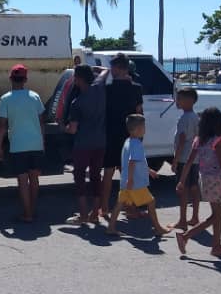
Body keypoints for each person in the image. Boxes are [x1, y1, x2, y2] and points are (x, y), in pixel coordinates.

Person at [175, 107, 221, 257]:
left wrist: (181, 181)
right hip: (214, 180)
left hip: (204, 179)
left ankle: (216, 245)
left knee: (218, 213)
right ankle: (187, 237)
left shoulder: (198, 140)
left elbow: (189, 162)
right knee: (218, 214)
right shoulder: (218, 140)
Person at [0, 64, 46, 223]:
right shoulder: (35, 96)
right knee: (35, 179)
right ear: (25, 79)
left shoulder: (5, 99)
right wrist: (42, 141)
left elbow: (2, 125)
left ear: (10, 79)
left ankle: (27, 213)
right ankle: (33, 209)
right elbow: (42, 121)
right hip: (36, 144)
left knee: (23, 181)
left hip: (18, 145)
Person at [105, 115, 170, 238]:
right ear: (137, 129)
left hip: (126, 181)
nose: (145, 130)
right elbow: (132, 162)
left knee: (119, 204)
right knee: (151, 202)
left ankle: (111, 227)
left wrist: (149, 170)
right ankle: (157, 228)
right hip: (135, 182)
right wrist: (131, 179)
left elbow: (138, 161)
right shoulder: (136, 144)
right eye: (144, 127)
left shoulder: (128, 141)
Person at [99, 54, 143, 219]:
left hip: (111, 134)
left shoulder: (108, 88)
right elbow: (139, 112)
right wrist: (140, 137)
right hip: (129, 135)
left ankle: (104, 208)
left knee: (108, 173)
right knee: (128, 174)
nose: (111, 71)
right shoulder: (137, 88)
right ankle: (129, 207)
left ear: (119, 68)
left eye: (113, 68)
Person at [65, 64, 106, 225]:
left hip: (83, 144)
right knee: (96, 176)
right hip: (100, 142)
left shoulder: (77, 102)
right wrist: (94, 67)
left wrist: (63, 127)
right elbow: (106, 71)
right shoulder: (100, 89)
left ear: (79, 79)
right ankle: (95, 213)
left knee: (80, 176)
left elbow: (73, 129)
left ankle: (83, 214)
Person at [171, 88, 201, 229]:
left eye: (180, 99)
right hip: (194, 158)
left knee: (182, 189)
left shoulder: (184, 118)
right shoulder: (195, 117)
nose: (177, 101)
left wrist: (175, 160)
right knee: (194, 187)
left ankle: (182, 220)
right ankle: (195, 217)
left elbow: (182, 140)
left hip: (184, 159)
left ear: (189, 101)